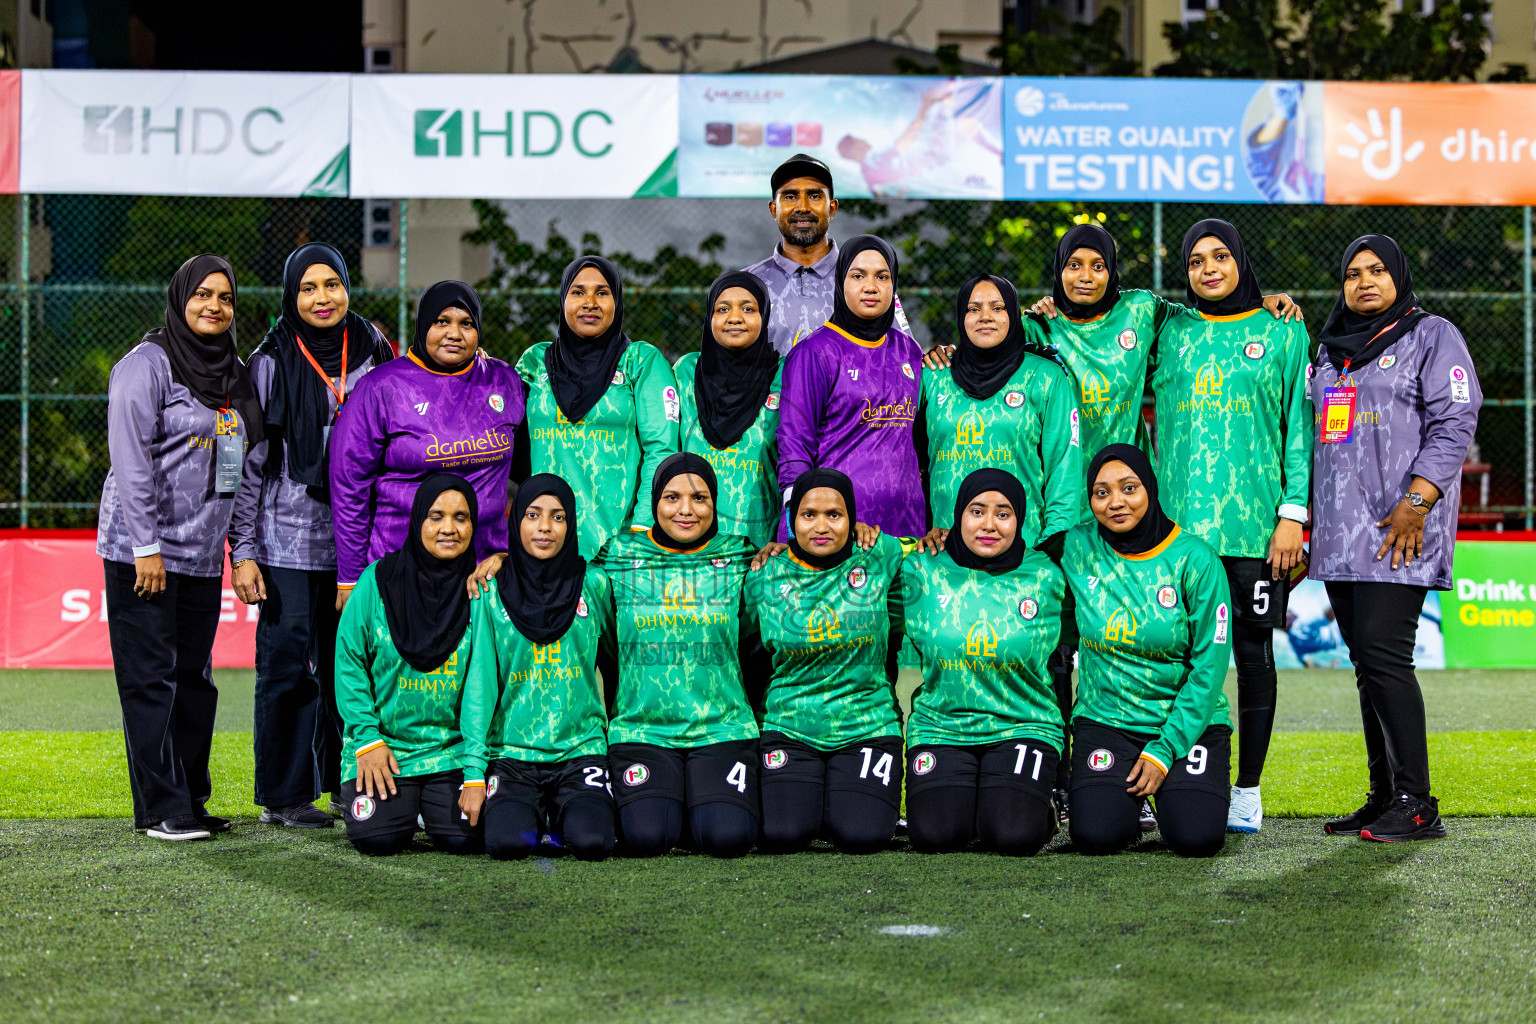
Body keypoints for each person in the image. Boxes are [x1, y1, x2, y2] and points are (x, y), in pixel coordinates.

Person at [1310, 235, 1481, 843]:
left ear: (1399, 276)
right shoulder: (1332, 353)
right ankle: (1384, 794)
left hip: (1398, 530)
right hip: (1342, 536)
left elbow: (1457, 416)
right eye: (1353, 272)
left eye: (1377, 270)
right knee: (1368, 667)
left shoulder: (1432, 335)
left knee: (1384, 658)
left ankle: (1416, 802)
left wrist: (1418, 499)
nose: (1365, 282)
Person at [1153, 218, 1312, 834]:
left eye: (1221, 256)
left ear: (1242, 262)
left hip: (1254, 532)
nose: (1209, 268)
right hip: (1173, 535)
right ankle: (1155, 779)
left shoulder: (1281, 331)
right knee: (1165, 657)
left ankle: (1247, 788)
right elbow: (1104, 324)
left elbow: (1298, 432)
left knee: (1252, 653)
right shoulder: (1169, 329)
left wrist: (1292, 516)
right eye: (1196, 261)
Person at [229, 242, 394, 829]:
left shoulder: (375, 350)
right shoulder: (270, 361)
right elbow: (251, 464)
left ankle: (345, 784)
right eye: (308, 288)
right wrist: (242, 550)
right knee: (288, 667)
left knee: (349, 666)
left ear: (348, 288)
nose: (322, 298)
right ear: (291, 296)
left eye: (332, 285)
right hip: (287, 543)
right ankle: (285, 794)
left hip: (357, 543)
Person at [97, 253, 261, 842]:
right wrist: (146, 546)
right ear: (180, 298)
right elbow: (131, 462)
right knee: (150, 680)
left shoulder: (236, 376)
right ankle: (160, 810)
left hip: (199, 555)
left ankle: (190, 799)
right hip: (141, 553)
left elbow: (247, 470)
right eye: (202, 295)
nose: (213, 306)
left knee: (194, 679)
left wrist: (240, 550)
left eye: (225, 297)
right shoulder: (146, 366)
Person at [1064, 446, 1233, 858]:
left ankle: (1169, 788)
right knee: (1096, 837)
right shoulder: (1076, 546)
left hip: (1185, 725)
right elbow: (1005, 541)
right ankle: (1126, 802)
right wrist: (943, 536)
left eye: (1129, 488)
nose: (1116, 502)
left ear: (1151, 488)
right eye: (1101, 493)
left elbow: (1210, 667)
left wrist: (1164, 749)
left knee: (1197, 840)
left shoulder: (1197, 559)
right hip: (1107, 720)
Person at [595, 454, 760, 858]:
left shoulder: (741, 557)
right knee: (648, 837)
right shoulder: (618, 556)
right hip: (642, 729)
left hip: (722, 728)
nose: (686, 510)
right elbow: (595, 627)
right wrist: (506, 561)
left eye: (699, 498)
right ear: (654, 502)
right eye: (672, 497)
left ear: (714, 503)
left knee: (727, 839)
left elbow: (757, 645)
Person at [329, 281, 525, 609]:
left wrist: (514, 554)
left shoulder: (504, 380)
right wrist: (350, 578)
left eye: (466, 324)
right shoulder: (381, 388)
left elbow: (535, 470)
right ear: (423, 326)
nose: (454, 333)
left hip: (484, 574)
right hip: (400, 571)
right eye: (442, 322)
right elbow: (349, 487)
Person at [901, 469, 1066, 856]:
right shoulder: (921, 566)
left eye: (1003, 513)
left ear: (1020, 518)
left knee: (1013, 838)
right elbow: (853, 552)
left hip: (1022, 725)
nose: (989, 524)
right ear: (958, 515)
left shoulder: (1047, 573)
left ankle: (1037, 805)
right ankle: (980, 802)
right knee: (935, 837)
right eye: (977, 511)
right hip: (943, 726)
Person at [744, 469, 906, 854]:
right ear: (791, 521)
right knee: (783, 835)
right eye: (808, 514)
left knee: (862, 836)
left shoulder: (881, 555)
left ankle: (841, 800)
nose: (821, 525)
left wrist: (939, 536)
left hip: (866, 724)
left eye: (834, 514)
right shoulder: (763, 574)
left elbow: (941, 556)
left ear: (852, 518)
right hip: (790, 725)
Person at [460, 475, 617, 861]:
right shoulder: (490, 590)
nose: (545, 527)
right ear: (516, 522)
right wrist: (474, 772)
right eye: (532, 515)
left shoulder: (593, 583)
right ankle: (540, 814)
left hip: (580, 750)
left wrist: (620, 743)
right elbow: (479, 684)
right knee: (507, 843)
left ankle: (564, 813)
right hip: (513, 755)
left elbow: (618, 665)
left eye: (558, 517)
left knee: (593, 842)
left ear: (571, 524)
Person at [334, 476, 483, 856]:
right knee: (377, 839)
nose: (448, 528)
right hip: (386, 747)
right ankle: (408, 808)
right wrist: (367, 739)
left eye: (461, 518)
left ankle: (426, 809)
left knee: (465, 839)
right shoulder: (377, 580)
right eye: (436, 516)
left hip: (453, 751)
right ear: (418, 520)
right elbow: (349, 661)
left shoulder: (481, 588)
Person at [514, 255, 678, 558]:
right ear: (563, 299)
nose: (590, 302)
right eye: (578, 292)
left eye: (602, 293)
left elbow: (662, 451)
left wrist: (642, 531)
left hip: (616, 550)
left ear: (617, 301)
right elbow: (503, 431)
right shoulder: (534, 362)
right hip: (541, 547)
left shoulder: (640, 362)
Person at [777, 235, 926, 540]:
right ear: (840, 283)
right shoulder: (815, 352)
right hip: (834, 532)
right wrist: (799, 525)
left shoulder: (909, 350)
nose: (870, 286)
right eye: (858, 276)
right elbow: (794, 446)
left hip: (906, 528)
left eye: (882, 277)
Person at [921, 273, 1080, 554]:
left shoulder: (1045, 377)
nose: (985, 316)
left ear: (1013, 315)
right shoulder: (933, 376)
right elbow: (911, 464)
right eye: (973, 309)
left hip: (1025, 552)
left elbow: (1063, 470)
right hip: (945, 552)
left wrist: (1054, 546)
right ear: (961, 316)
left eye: (998, 307)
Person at [743, 154, 910, 355]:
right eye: (790, 196)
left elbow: (904, 354)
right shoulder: (747, 284)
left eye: (814, 196)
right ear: (773, 209)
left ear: (832, 208)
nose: (802, 207)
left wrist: (937, 359)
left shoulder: (868, 278)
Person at [675, 271, 782, 547]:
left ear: (765, 316)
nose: (735, 317)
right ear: (710, 317)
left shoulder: (784, 376)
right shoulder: (686, 372)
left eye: (748, 309)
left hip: (758, 550)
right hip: (689, 548)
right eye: (723, 309)